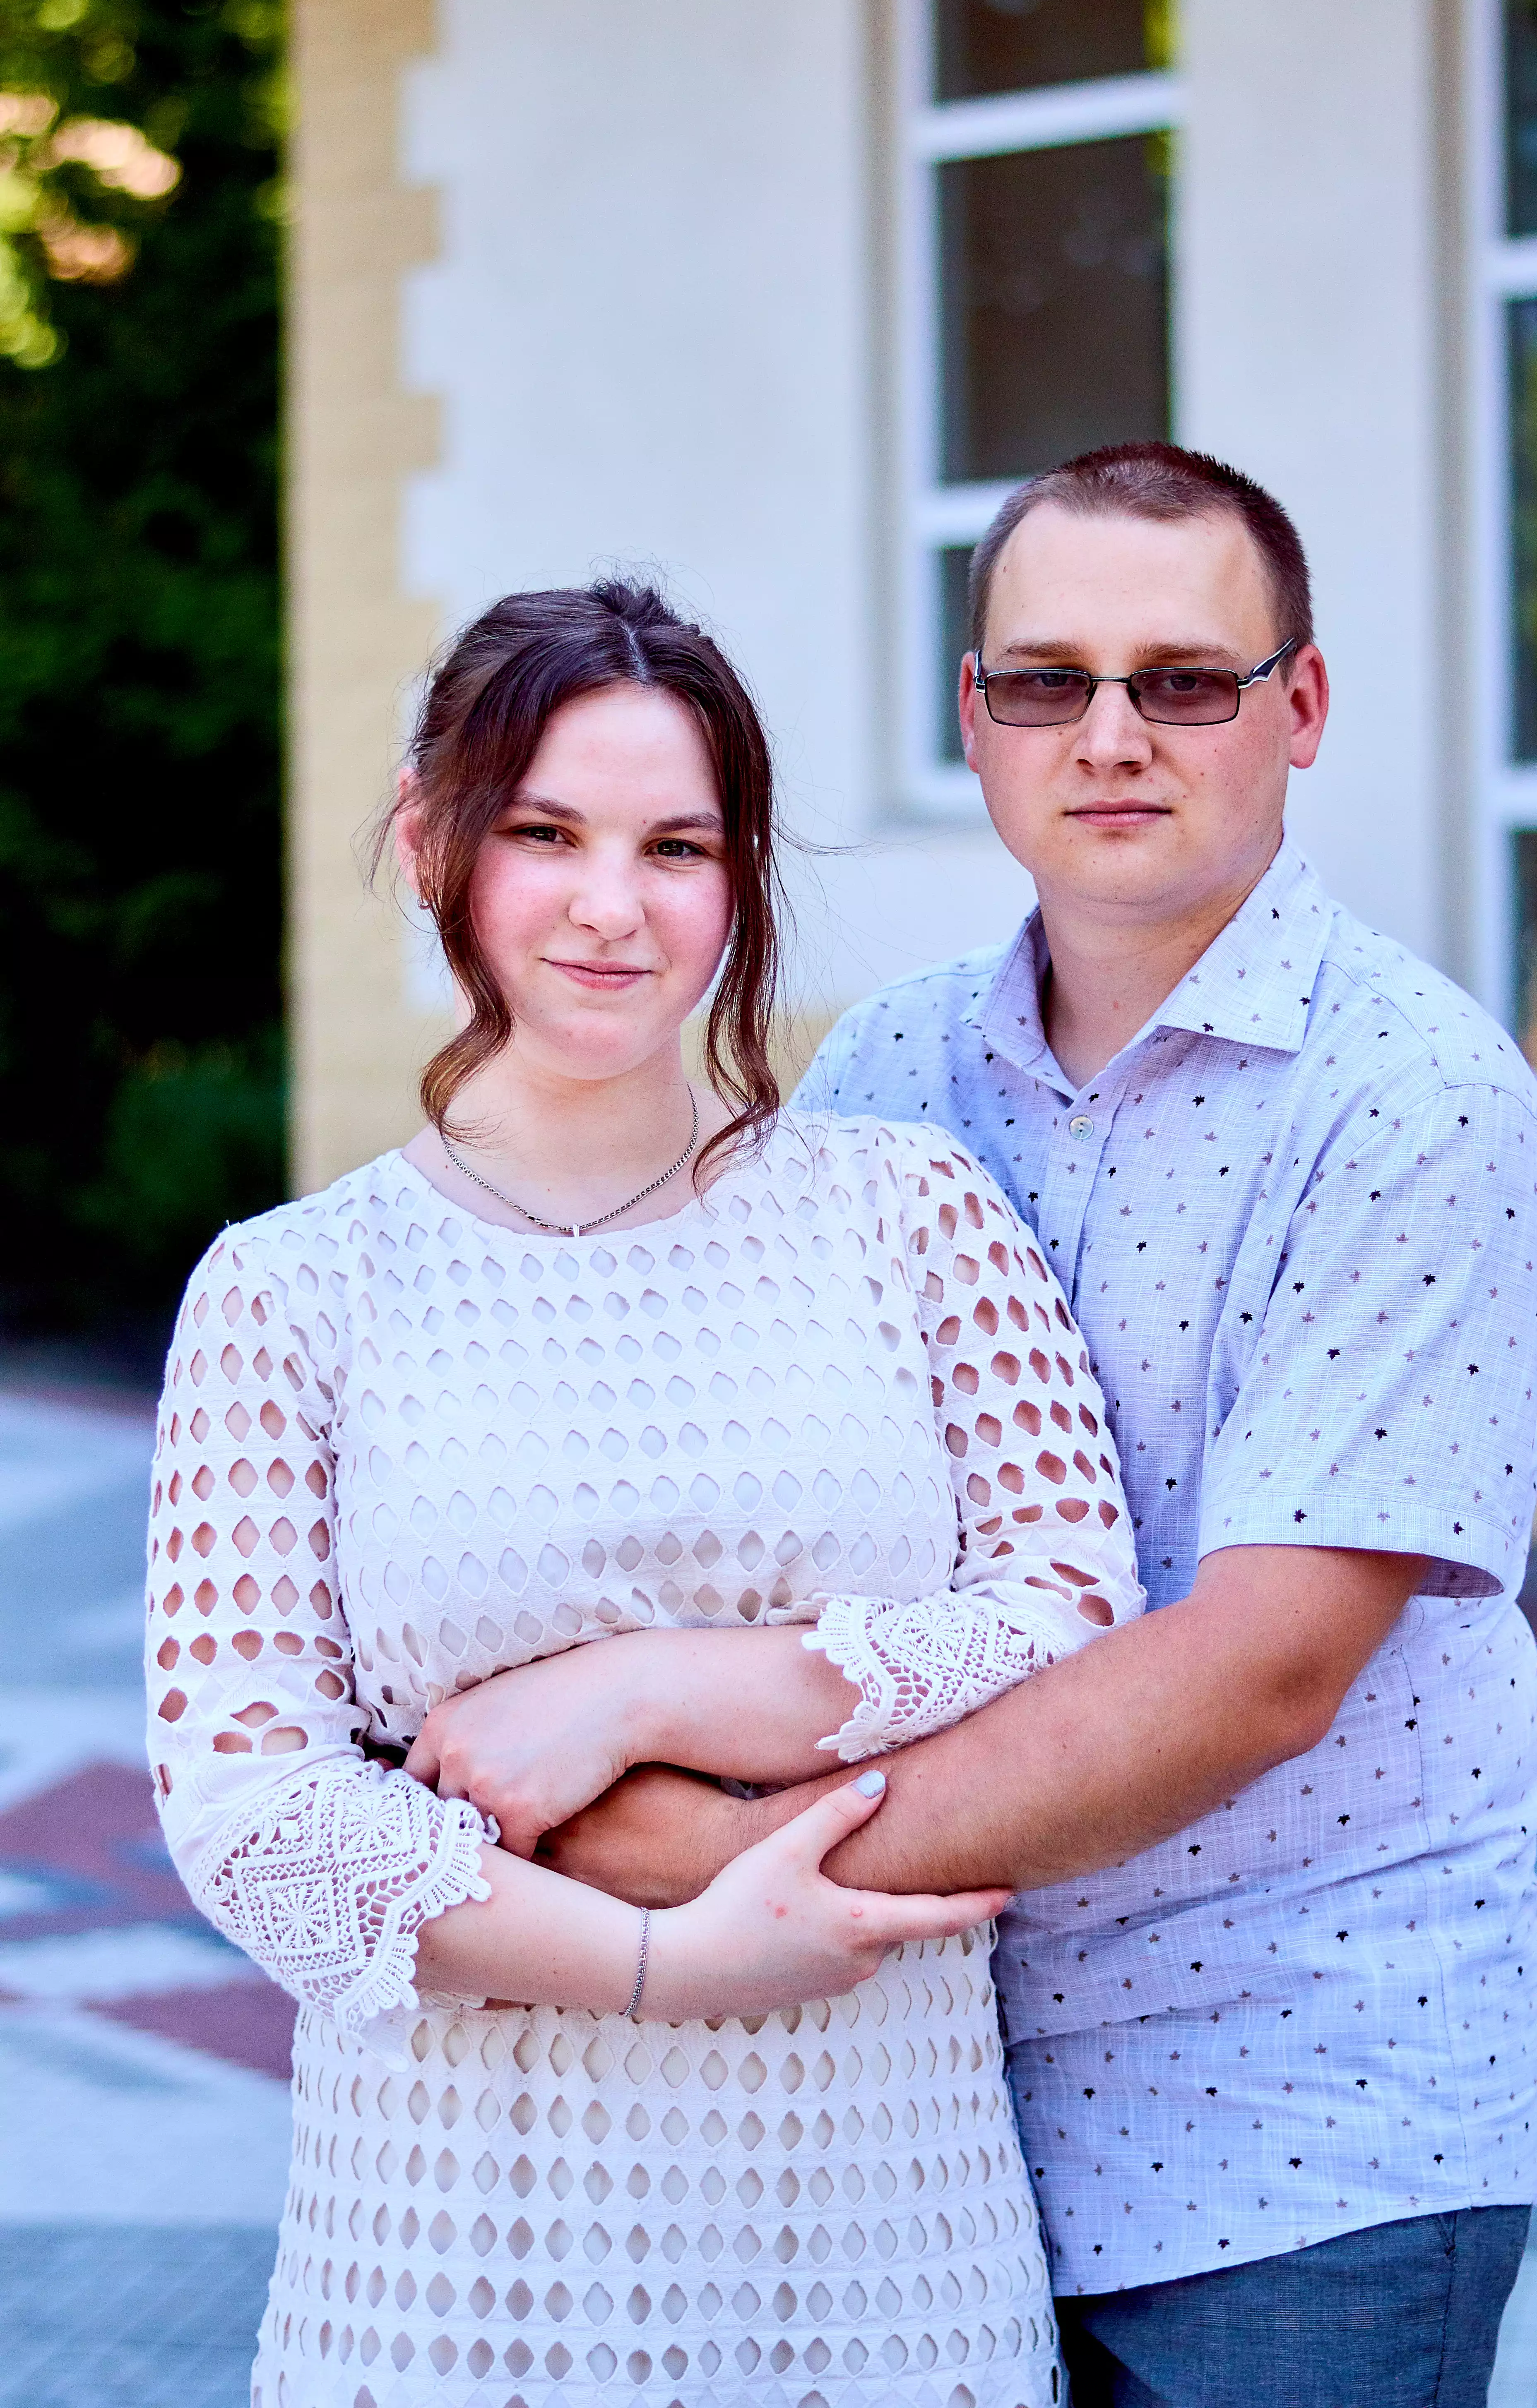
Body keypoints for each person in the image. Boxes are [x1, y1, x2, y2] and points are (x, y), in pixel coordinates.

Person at [539, 446, 1537, 2407]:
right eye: (1046, 681)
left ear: (1303, 707)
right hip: (918, 2115)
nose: (1110, 734)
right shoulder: (886, 1069)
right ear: (977, 717)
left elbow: (1265, 1665)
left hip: (1296, 2139)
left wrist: (735, 1854)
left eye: (1183, 678)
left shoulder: (1416, 1100)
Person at [143, 576, 1144, 2408]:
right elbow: (253, 1811)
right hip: (451, 2279)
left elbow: (1076, 1619)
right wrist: (671, 1962)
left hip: (883, 2258)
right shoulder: (292, 1292)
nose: (613, 906)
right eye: (547, 834)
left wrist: (647, 1687)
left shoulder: (910, 1214)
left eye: (676, 846)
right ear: (433, 837)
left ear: (740, 876)